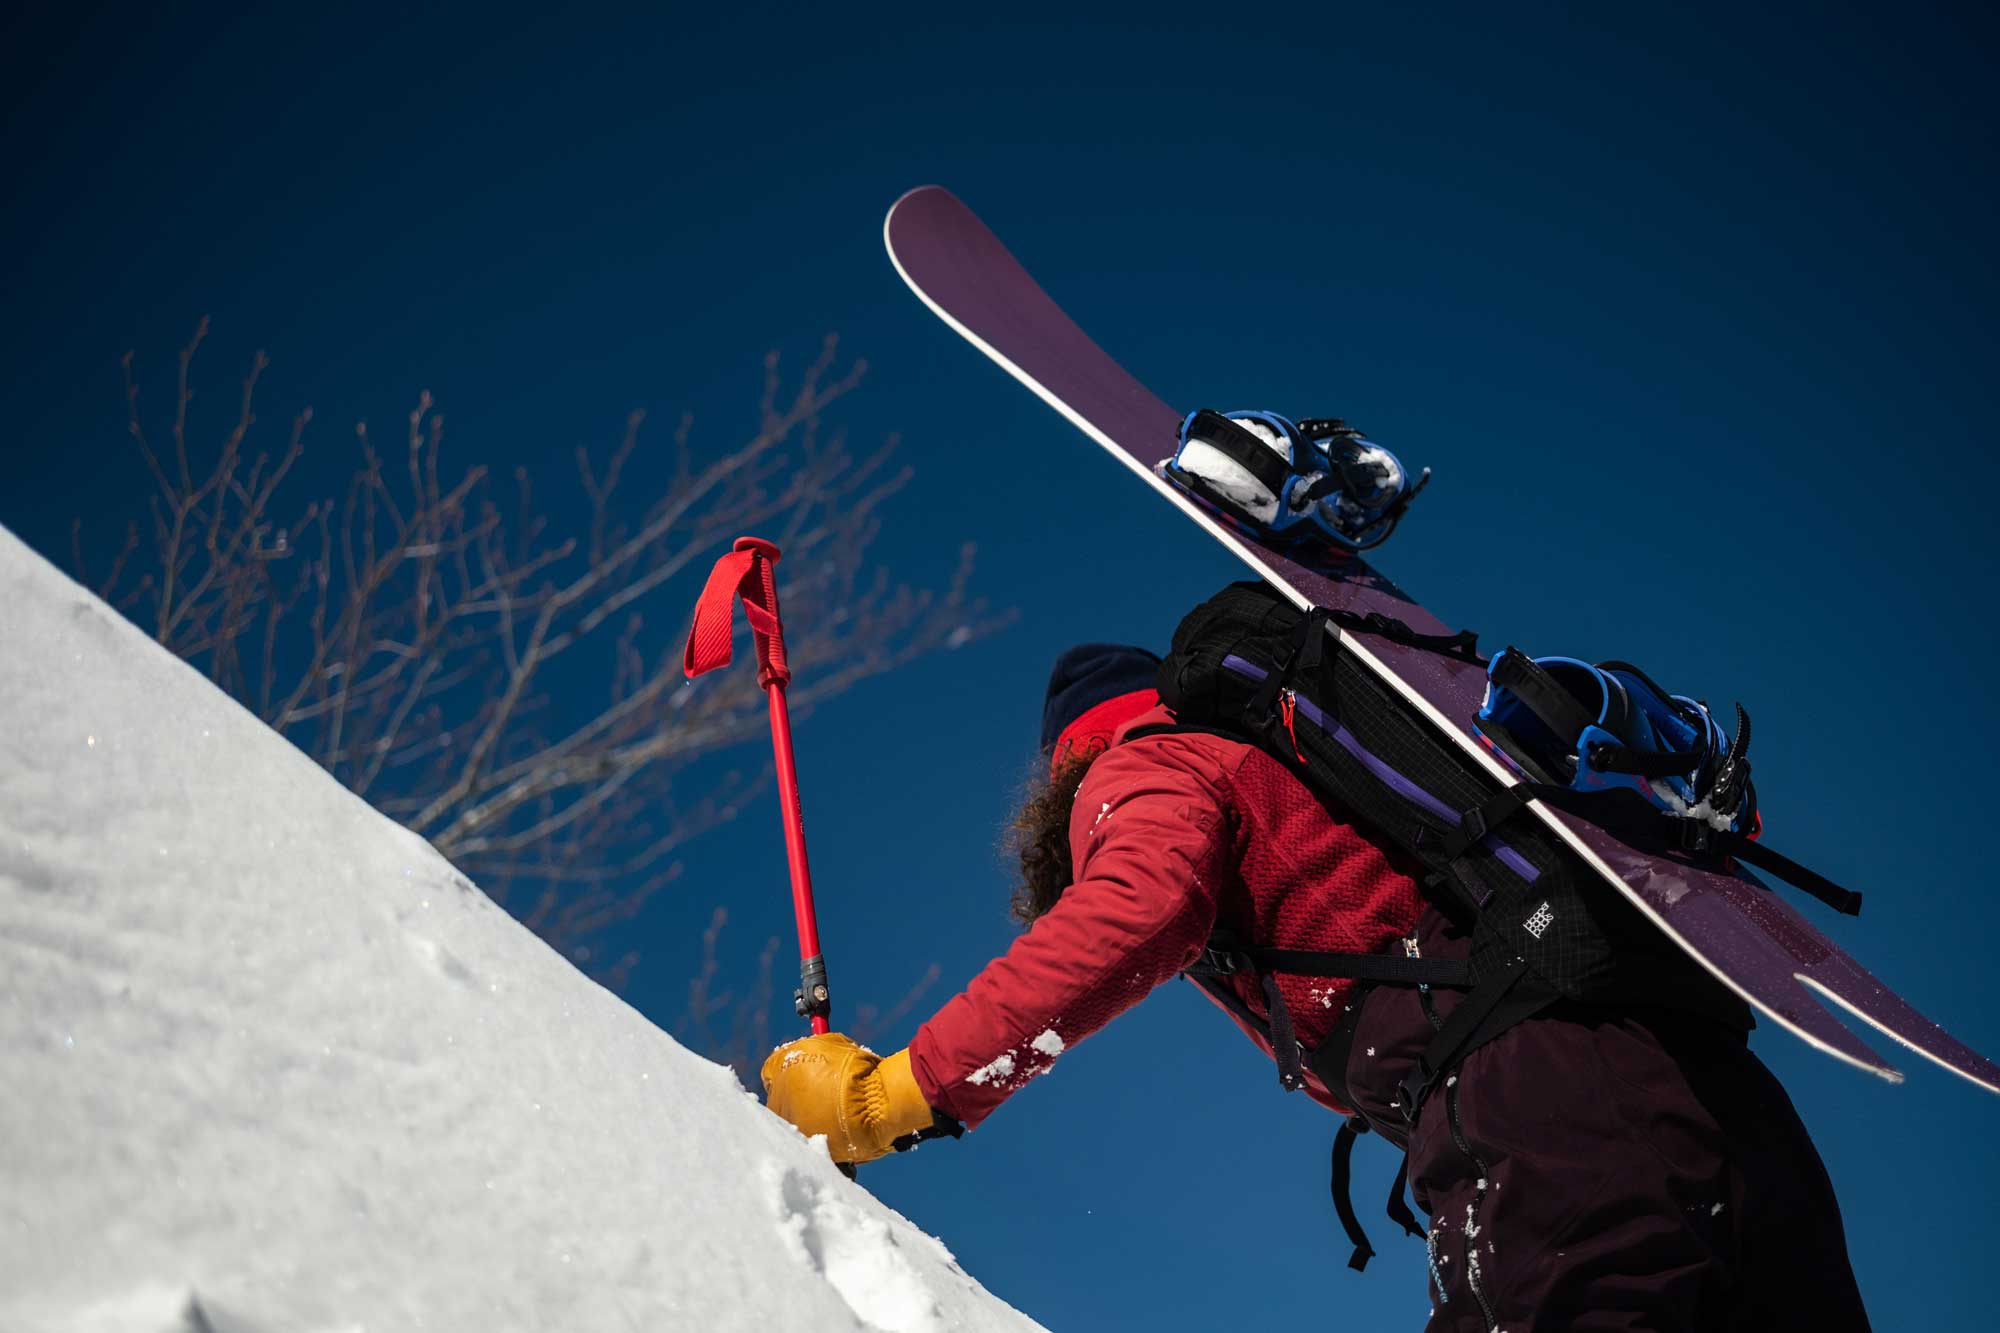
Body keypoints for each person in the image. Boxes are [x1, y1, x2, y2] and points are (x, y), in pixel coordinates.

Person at [761, 641, 1871, 1331]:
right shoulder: (1313, 770)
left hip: (1534, 1085)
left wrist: (898, 1090)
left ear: (1066, 764)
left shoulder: (1142, 759)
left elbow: (1137, 906)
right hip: (1703, 1076)